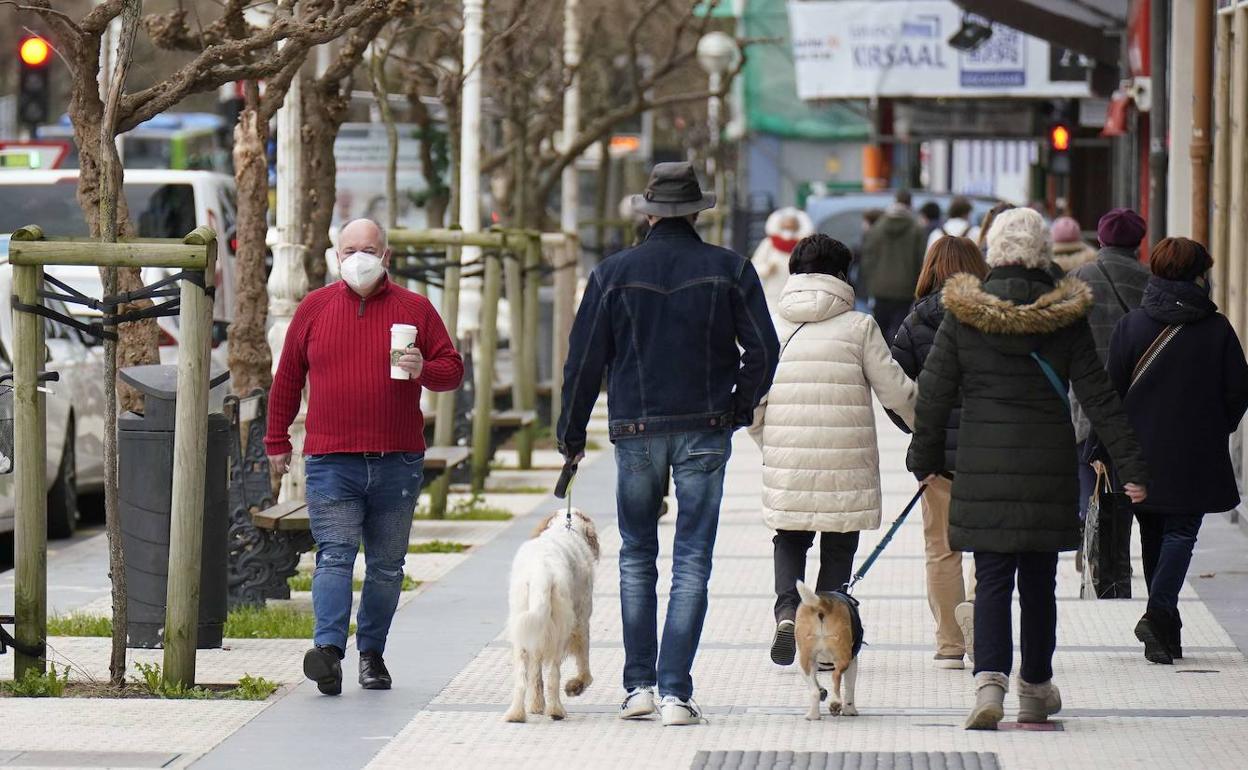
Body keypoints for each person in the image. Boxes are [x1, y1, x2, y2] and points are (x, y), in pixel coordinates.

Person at [557, 162, 779, 726]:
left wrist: (571, 434)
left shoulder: (612, 273)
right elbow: (764, 351)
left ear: (649, 213)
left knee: (636, 556)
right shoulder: (731, 270)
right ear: (697, 212)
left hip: (635, 429)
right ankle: (677, 691)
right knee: (693, 561)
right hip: (705, 426)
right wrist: (735, 407)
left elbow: (584, 362)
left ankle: (638, 689)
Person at [907, 208, 1148, 730]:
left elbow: (933, 395)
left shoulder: (963, 313)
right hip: (1047, 465)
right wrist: (1130, 464)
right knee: (1039, 581)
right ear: (1041, 253)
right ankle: (1035, 690)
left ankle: (989, 683)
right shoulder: (1064, 315)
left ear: (994, 251)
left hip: (982, 462)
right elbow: (1099, 396)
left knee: (992, 578)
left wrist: (924, 459)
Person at [266, 219, 464, 696]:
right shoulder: (313, 308)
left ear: (387, 256)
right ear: (337, 256)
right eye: (350, 249)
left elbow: (452, 369)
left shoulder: (414, 309)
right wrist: (277, 442)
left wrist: (423, 368)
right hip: (332, 460)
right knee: (334, 556)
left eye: (369, 249)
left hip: (397, 460)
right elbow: (287, 377)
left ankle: (372, 654)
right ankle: (329, 652)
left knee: (387, 565)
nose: (359, 257)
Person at [748, 234, 916, 668]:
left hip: (790, 460)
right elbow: (896, 392)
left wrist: (770, 444)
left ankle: (788, 614)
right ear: (843, 276)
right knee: (839, 546)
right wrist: (925, 430)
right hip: (847, 462)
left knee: (789, 537)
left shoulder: (771, 325)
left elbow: (751, 404)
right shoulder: (860, 327)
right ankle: (824, 630)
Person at [1106, 237, 1248, 665]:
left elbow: (1109, 393)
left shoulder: (1131, 326)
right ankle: (1159, 619)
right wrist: (1214, 426)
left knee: (1154, 535)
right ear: (1198, 275)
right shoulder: (1217, 328)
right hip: (1194, 453)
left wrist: (1104, 447)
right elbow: (1238, 391)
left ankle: (1162, 627)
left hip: (1140, 454)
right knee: (1181, 532)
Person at [890, 236, 988, 670]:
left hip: (939, 459)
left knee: (943, 549)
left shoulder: (915, 323)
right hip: (991, 451)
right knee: (989, 548)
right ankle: (985, 632)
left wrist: (917, 429)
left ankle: (950, 645)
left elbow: (896, 392)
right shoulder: (993, 315)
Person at [1069, 208, 1150, 598]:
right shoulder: (1151, 283)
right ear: (1139, 243)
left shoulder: (1079, 279)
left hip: (1085, 397)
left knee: (1088, 474)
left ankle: (1091, 539)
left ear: (1100, 240)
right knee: (1126, 479)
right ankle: (1116, 552)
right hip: (1136, 399)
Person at [862, 189, 926, 343]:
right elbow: (920, 261)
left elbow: (868, 259)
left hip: (880, 289)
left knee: (879, 335)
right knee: (901, 333)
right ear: (910, 204)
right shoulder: (916, 229)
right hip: (906, 289)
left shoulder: (877, 227)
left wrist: (871, 284)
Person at [752, 207, 814, 308]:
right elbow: (754, 266)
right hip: (772, 296)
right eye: (785, 223)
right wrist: (766, 269)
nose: (788, 226)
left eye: (792, 224)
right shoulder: (769, 243)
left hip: (798, 296)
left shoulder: (804, 246)